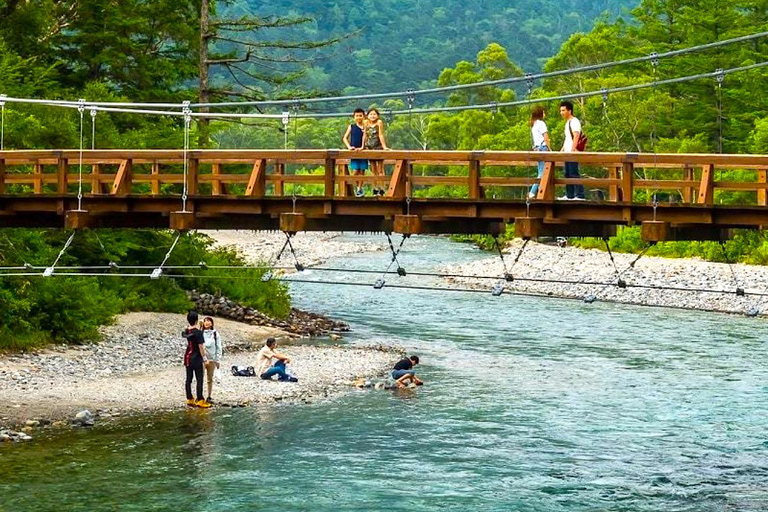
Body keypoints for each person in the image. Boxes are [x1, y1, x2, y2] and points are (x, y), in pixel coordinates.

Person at [183, 310, 211, 408]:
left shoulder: (187, 331)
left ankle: (189, 398)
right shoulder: (198, 333)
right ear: (196, 320)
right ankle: (200, 399)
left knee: (189, 379)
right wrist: (205, 358)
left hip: (187, 357)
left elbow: (189, 332)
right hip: (196, 358)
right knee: (199, 379)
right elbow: (200, 347)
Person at [559, 100, 586, 200]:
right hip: (567, 152)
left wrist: (572, 150)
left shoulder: (574, 121)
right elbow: (568, 138)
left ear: (569, 111)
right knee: (567, 173)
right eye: (561, 110)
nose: (561, 113)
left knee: (574, 173)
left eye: (563, 110)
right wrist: (562, 150)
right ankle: (569, 195)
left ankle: (580, 195)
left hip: (572, 152)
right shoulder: (568, 123)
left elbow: (576, 136)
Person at [342, 108, 369, 197]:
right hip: (354, 152)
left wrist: (363, 147)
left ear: (364, 116)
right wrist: (349, 147)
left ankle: (359, 189)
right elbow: (345, 138)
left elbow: (366, 138)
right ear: (354, 117)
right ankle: (351, 184)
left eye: (360, 115)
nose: (359, 117)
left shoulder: (365, 127)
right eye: (357, 116)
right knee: (355, 170)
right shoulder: (352, 127)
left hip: (363, 151)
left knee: (362, 170)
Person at [363, 108, 389, 196]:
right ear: (367, 115)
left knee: (380, 169)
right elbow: (365, 135)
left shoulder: (379, 123)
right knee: (373, 170)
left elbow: (381, 134)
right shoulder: (365, 123)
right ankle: (375, 189)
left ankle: (382, 189)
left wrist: (384, 147)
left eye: (374, 114)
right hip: (369, 147)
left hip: (378, 147)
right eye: (371, 114)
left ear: (377, 115)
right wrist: (362, 146)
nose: (372, 116)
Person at [528, 106, 550, 199]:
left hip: (537, 148)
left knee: (541, 171)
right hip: (543, 148)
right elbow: (546, 137)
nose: (544, 114)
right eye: (543, 112)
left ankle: (540, 192)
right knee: (542, 172)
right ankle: (532, 192)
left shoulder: (534, 124)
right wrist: (550, 149)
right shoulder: (541, 123)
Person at [201, 316, 222, 404]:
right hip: (202, 359)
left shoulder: (215, 334)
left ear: (212, 323)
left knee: (210, 378)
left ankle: (209, 396)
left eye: (209, 321)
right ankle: (200, 396)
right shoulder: (200, 333)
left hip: (212, 359)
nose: (207, 323)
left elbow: (219, 347)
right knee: (200, 378)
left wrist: (218, 359)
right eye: (205, 321)